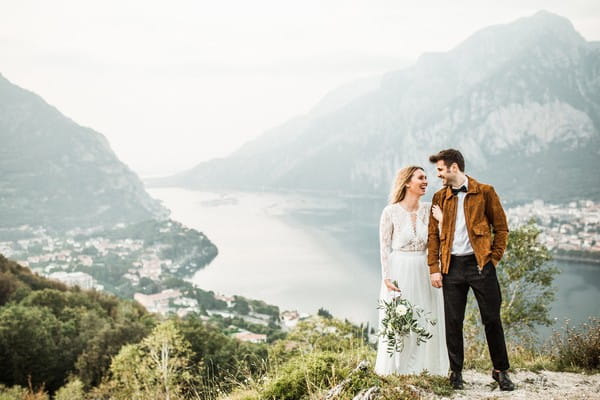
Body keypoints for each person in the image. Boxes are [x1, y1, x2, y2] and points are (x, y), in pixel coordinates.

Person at [427, 149, 515, 391]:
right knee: (453, 322)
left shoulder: (485, 192)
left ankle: (500, 371)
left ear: (454, 168)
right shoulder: (438, 198)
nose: (438, 175)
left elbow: (502, 229)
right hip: (450, 267)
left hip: (480, 266)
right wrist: (434, 267)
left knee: (492, 319)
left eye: (441, 170)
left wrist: (492, 260)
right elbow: (433, 236)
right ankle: (456, 372)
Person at [375, 166, 449, 376]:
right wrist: (386, 278)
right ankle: (400, 370)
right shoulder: (390, 212)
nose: (426, 181)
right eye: (421, 178)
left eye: (426, 178)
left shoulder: (429, 209)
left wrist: (442, 220)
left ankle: (426, 368)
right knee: (403, 318)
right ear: (407, 182)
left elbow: (441, 239)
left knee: (426, 316)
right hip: (400, 271)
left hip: (425, 270)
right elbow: (384, 247)